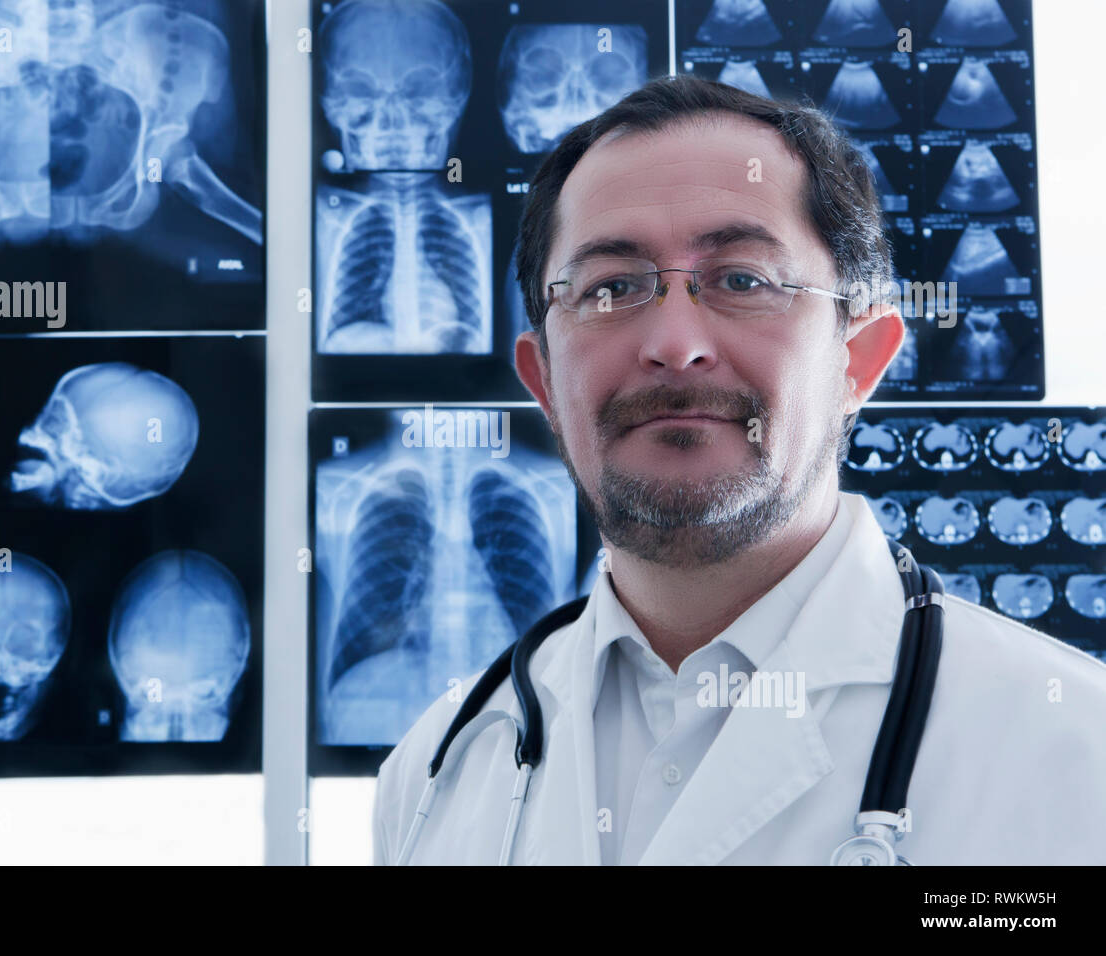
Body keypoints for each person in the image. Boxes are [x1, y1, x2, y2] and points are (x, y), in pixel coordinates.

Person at [372, 74, 1106, 865]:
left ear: (859, 359)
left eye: (742, 280)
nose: (674, 342)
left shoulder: (1072, 754)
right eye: (612, 287)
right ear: (545, 382)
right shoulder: (435, 777)